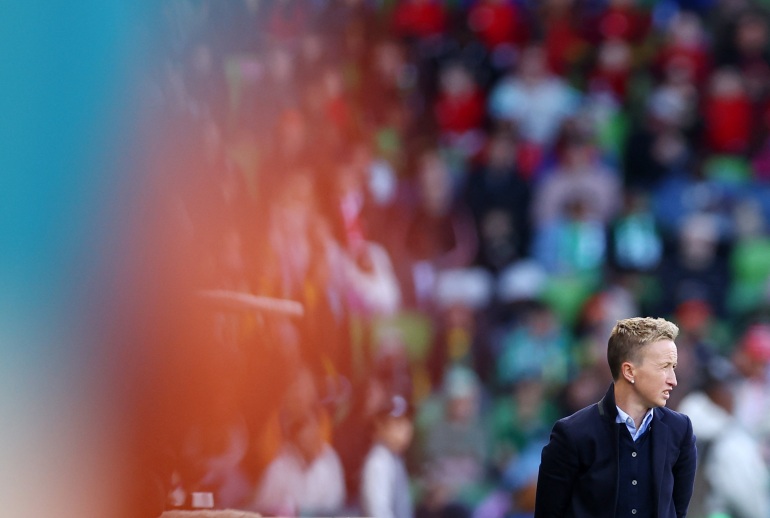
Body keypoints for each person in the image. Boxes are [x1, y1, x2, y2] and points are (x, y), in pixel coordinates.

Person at [534, 317, 697, 518]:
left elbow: (678, 511)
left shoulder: (680, 430)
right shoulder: (572, 434)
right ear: (629, 371)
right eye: (664, 367)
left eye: (673, 367)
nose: (673, 380)